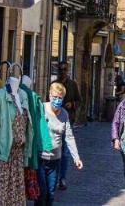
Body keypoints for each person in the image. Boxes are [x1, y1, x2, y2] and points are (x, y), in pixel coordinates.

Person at [38, 81, 83, 205]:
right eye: (55, 97)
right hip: (40, 158)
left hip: (55, 160)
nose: (57, 100)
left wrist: (76, 157)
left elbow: (69, 137)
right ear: (49, 95)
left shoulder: (64, 114)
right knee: (42, 192)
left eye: (60, 98)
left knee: (51, 193)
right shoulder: (41, 109)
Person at [54, 61, 82, 190]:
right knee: (54, 149)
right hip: (54, 121)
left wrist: (72, 104)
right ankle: (54, 177)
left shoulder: (72, 85)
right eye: (61, 69)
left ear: (68, 70)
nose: (63, 71)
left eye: (65, 69)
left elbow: (79, 101)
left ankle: (62, 178)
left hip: (67, 120)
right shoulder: (54, 85)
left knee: (64, 151)